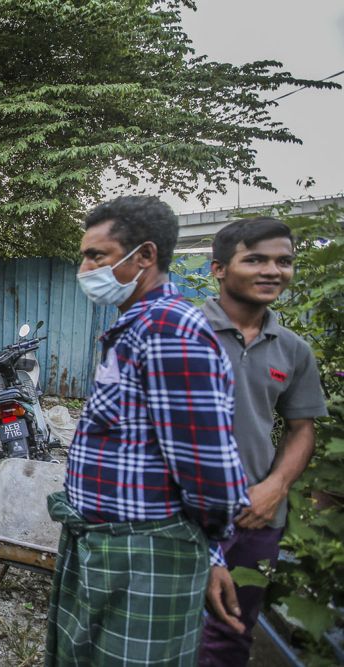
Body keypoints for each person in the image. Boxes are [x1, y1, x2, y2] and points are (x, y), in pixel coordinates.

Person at [45, 196, 250, 666]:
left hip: (146, 554)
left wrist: (208, 547)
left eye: (97, 255)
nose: (84, 269)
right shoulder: (137, 326)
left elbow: (208, 469)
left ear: (145, 256)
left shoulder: (169, 330)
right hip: (113, 547)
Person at [198, 219, 327, 667]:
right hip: (183, 514)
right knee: (164, 625)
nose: (273, 270)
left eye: (283, 261)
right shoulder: (178, 335)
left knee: (232, 630)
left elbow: (301, 428)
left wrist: (276, 487)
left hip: (256, 516)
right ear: (219, 268)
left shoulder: (293, 350)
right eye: (255, 259)